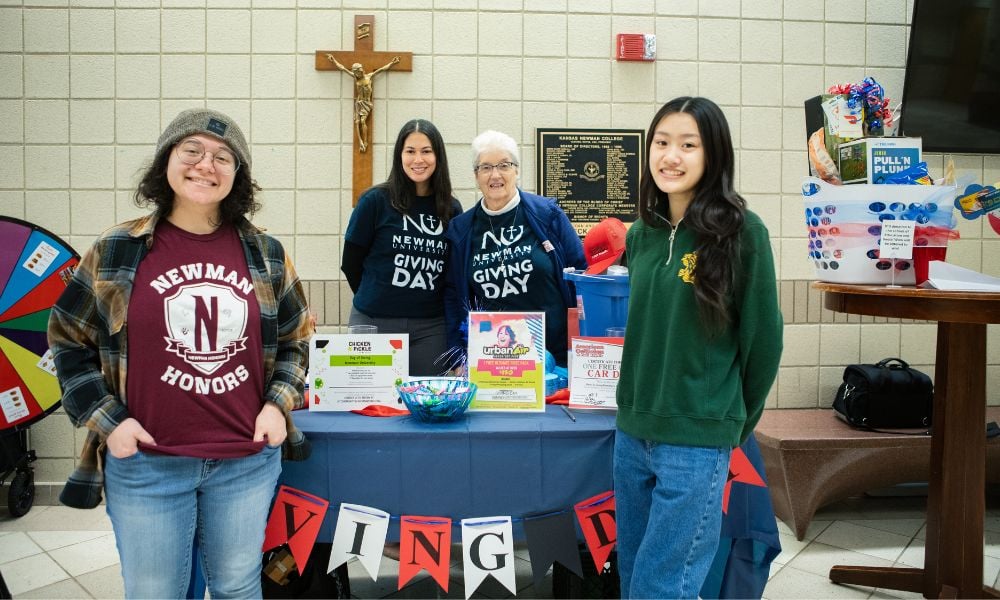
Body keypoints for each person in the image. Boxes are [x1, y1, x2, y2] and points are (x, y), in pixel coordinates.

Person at [48, 108, 313, 598]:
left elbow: (297, 338)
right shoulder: (116, 249)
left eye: (223, 157)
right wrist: (111, 421)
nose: (205, 165)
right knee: (155, 592)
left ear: (238, 176)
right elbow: (67, 340)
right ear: (166, 161)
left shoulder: (267, 253)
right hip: (147, 460)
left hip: (245, 463)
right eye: (191, 151)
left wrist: (279, 403)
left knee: (237, 586)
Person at [613, 97, 783, 599]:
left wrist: (730, 423)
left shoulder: (742, 233)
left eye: (689, 145)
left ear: (714, 155)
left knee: (665, 585)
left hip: (696, 440)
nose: (671, 156)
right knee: (633, 576)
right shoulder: (641, 234)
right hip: (632, 434)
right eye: (662, 143)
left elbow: (763, 342)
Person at [443, 130, 586, 368]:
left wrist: (583, 345)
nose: (495, 174)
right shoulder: (461, 230)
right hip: (493, 358)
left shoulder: (548, 215)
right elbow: (452, 295)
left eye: (504, 165)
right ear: (476, 175)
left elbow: (580, 272)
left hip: (555, 356)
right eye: (485, 167)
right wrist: (457, 355)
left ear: (517, 171)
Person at [341, 118, 461, 376]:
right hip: (374, 322)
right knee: (370, 408)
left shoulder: (451, 208)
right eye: (410, 151)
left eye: (426, 151)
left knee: (427, 404)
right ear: (400, 155)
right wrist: (379, 298)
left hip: (431, 329)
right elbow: (351, 262)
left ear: (438, 156)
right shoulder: (375, 201)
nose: (418, 159)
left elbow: (451, 271)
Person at [325, 54, 400, 152]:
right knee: (358, 122)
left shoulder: (369, 76)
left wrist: (392, 63)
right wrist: (333, 60)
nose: (359, 73)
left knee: (363, 121)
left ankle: (365, 142)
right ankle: (362, 142)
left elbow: (382, 69)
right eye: (357, 72)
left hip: (367, 103)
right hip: (359, 102)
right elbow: (343, 68)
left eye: (360, 71)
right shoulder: (356, 79)